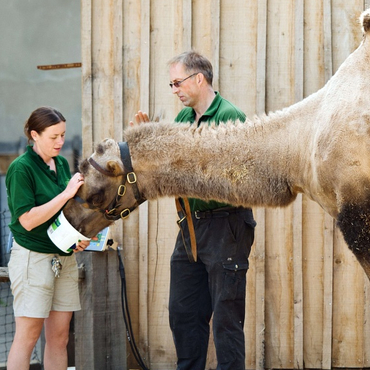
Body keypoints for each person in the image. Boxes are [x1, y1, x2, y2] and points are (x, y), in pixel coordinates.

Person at [131, 50, 256, 370]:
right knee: (183, 312)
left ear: (198, 79)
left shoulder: (231, 118)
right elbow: (169, 171)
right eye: (171, 85)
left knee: (226, 318)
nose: (174, 90)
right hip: (190, 227)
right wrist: (149, 141)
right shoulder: (184, 120)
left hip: (226, 226)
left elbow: (239, 178)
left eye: (177, 83)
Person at [5, 106, 91, 370]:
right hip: (33, 259)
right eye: (53, 136)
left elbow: (62, 216)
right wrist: (66, 193)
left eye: (63, 135)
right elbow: (28, 220)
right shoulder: (21, 169)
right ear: (34, 135)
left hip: (62, 260)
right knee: (28, 337)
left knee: (59, 337)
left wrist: (76, 238)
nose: (61, 142)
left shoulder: (61, 163)